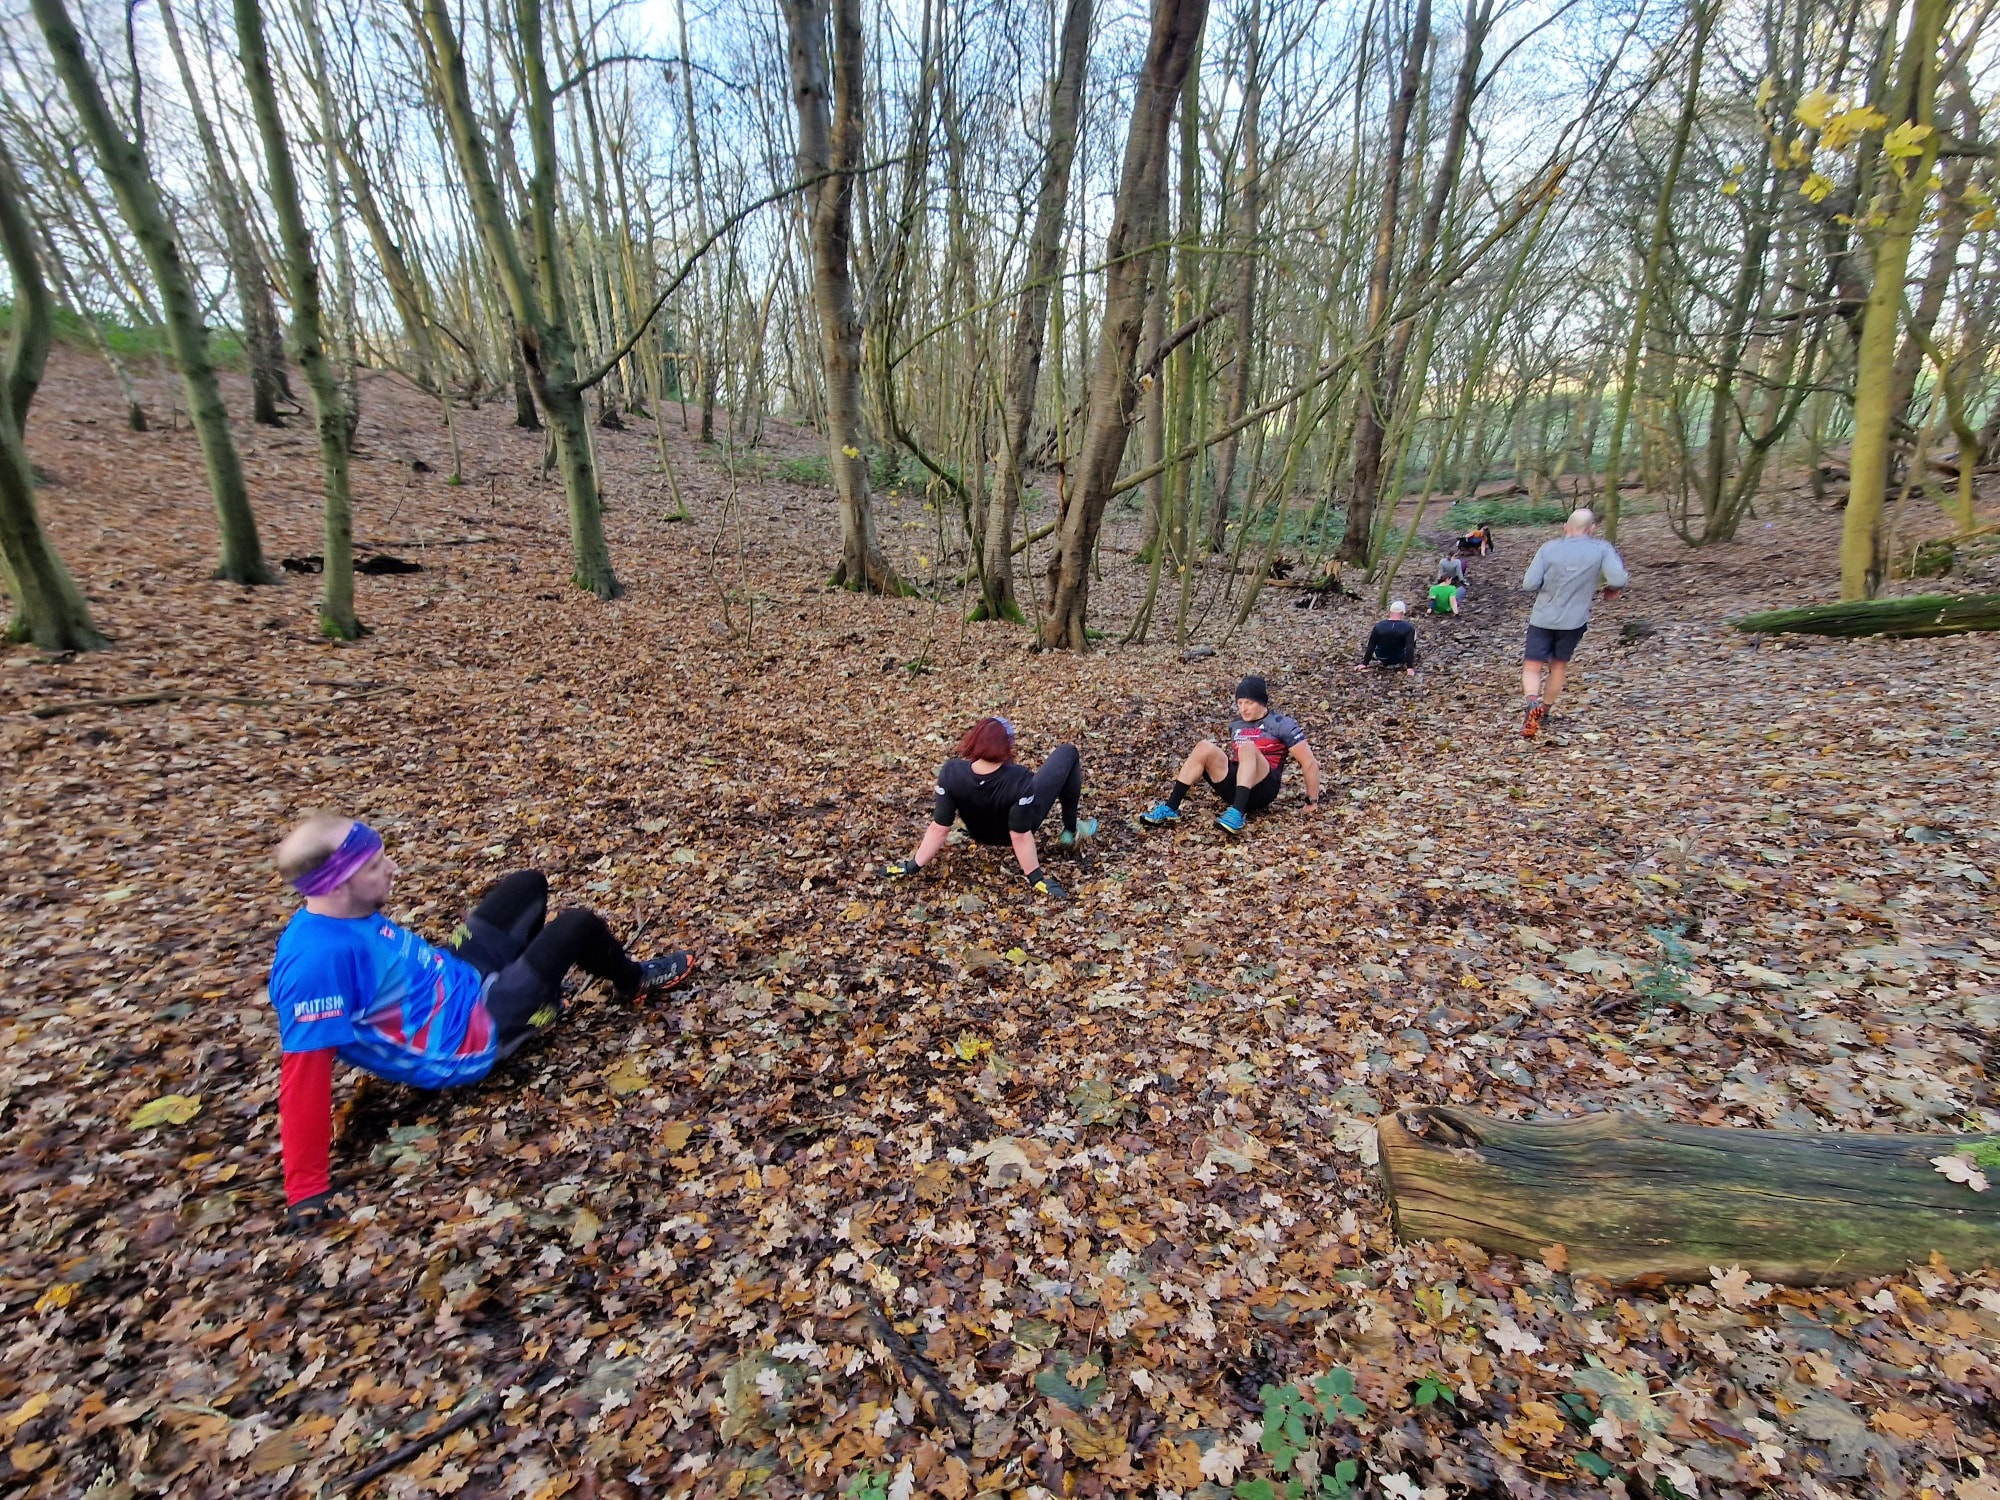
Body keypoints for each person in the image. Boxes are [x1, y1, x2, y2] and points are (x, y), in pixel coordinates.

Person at [268, 815, 693, 1225]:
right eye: (378, 865)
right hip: (469, 1035)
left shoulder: (342, 911)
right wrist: (307, 1190)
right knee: (575, 927)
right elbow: (304, 1076)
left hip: (457, 977)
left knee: (526, 885)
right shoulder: (316, 965)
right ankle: (632, 980)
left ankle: (529, 985)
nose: (394, 868)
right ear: (340, 883)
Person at [884, 717, 1095, 901]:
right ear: (1007, 745)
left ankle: (1070, 830)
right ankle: (1070, 831)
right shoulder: (1018, 777)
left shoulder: (951, 772)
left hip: (980, 834)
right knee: (1068, 752)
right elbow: (1020, 836)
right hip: (1016, 829)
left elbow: (940, 827)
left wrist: (911, 866)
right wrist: (1036, 879)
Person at [1139, 676, 1321, 834]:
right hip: (1237, 784)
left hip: (1264, 787)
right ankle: (1171, 807)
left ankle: (1236, 813)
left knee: (1248, 748)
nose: (1244, 709)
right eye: (1240, 703)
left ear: (1262, 702)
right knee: (1204, 747)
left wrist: (1312, 801)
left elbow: (1308, 762)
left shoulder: (1282, 724)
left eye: (1249, 703)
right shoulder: (1236, 725)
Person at [1519, 506, 1628, 738]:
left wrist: (1548, 586)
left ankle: (1531, 703)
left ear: (1565, 528)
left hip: (1543, 616)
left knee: (1532, 666)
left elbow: (1529, 583)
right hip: (1574, 620)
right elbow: (1618, 578)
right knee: (1558, 666)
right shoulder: (1601, 549)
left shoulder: (1548, 549)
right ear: (1592, 529)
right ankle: (1545, 711)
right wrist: (1610, 589)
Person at [1356, 601, 1419, 674]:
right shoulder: (1408, 628)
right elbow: (1410, 648)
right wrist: (1409, 667)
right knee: (1413, 635)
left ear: (1390, 612)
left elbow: (1371, 645)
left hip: (1380, 656)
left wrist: (1364, 663)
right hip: (1399, 658)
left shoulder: (1379, 626)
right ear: (1403, 613)